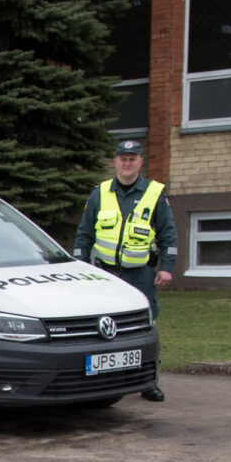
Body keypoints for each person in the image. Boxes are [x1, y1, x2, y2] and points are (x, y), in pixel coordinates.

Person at [73, 138, 178, 402]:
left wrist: (166, 268)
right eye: (122, 158)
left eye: (132, 158)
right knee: (102, 326)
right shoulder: (100, 192)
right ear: (115, 161)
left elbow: (169, 236)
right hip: (105, 274)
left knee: (144, 327)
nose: (127, 162)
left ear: (140, 162)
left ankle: (148, 381)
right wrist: (80, 268)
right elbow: (84, 235)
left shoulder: (154, 193)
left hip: (139, 274)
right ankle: (100, 380)